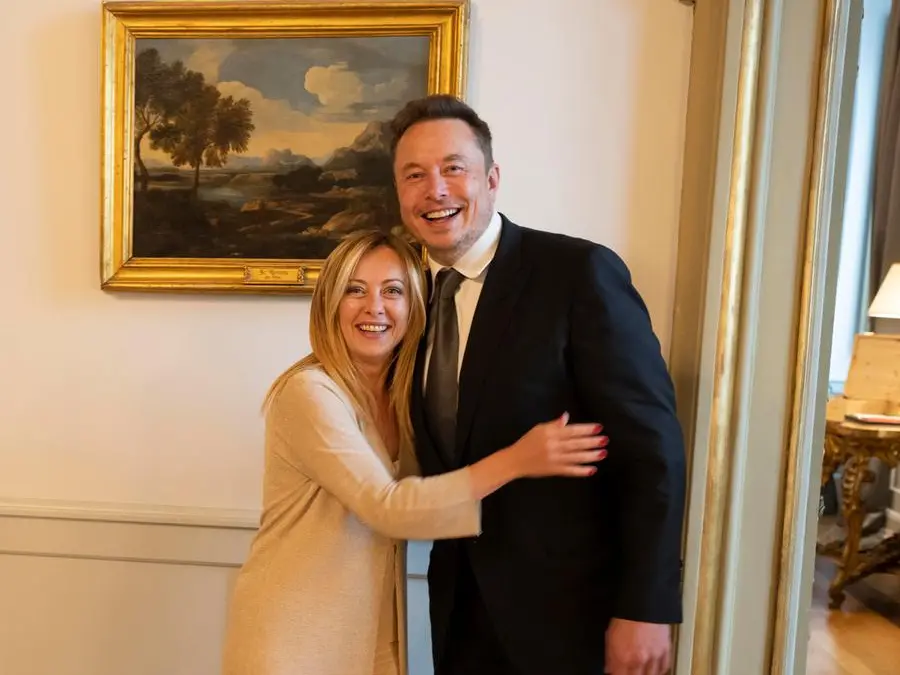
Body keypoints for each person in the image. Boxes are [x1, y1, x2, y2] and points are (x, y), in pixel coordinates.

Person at [388, 94, 688, 675]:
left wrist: (645, 608)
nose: (435, 190)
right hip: (458, 614)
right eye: (414, 175)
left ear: (491, 178)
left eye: (453, 168)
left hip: (572, 617)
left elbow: (653, 449)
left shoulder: (576, 273)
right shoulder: (406, 298)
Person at [220, 230, 608, 675]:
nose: (375, 307)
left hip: (374, 629)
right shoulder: (310, 392)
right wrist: (517, 460)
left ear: (416, 307)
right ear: (329, 303)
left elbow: (432, 493)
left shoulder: (405, 397)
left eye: (393, 291)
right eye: (355, 290)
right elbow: (386, 507)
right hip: (294, 634)